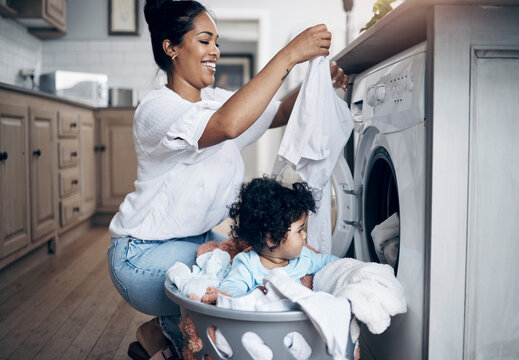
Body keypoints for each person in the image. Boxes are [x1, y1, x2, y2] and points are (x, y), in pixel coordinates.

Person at [107, 0, 349, 359]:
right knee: (247, 275)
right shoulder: (157, 109)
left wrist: (320, 83)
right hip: (141, 256)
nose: (215, 51)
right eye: (204, 41)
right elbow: (227, 125)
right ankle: (166, 332)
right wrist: (289, 55)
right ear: (171, 47)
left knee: (268, 260)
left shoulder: (216, 101)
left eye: (216, 42)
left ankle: (172, 333)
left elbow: (279, 110)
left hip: (197, 240)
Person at [219, 177, 339, 298]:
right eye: (299, 230)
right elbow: (229, 289)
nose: (304, 234)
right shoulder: (248, 265)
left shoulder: (305, 257)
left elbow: (333, 263)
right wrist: (254, 295)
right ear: (272, 239)